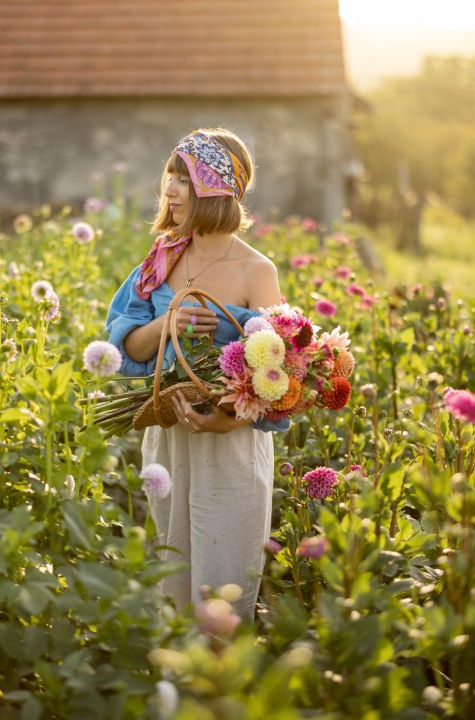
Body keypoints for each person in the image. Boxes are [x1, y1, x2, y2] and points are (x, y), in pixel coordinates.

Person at [105, 128, 289, 621]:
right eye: (169, 176)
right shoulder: (163, 258)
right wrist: (168, 323)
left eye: (184, 179)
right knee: (173, 576)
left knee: (221, 590)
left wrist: (224, 421)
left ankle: (219, 689)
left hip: (230, 442)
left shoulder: (257, 271)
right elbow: (126, 346)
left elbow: (283, 375)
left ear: (215, 189)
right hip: (169, 436)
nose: (169, 189)